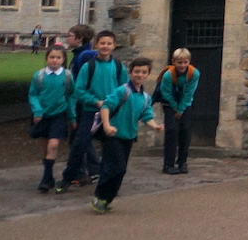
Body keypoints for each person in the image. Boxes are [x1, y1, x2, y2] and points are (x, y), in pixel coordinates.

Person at [91, 57, 162, 213]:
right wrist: (108, 125)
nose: (140, 75)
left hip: (128, 137)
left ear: (148, 74)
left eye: (144, 72)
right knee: (115, 167)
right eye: (137, 71)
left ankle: (106, 198)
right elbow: (106, 107)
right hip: (112, 135)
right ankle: (99, 196)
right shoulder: (123, 90)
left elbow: (146, 116)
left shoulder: (145, 98)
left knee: (120, 169)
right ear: (130, 73)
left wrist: (155, 126)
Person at [65, 29, 126, 190]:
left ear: (114, 46)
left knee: (110, 148)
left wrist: (114, 104)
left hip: (111, 114)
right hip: (90, 111)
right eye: (102, 43)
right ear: (96, 45)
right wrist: (95, 102)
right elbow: (79, 90)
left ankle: (105, 179)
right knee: (80, 144)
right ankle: (69, 176)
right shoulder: (88, 67)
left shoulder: (118, 67)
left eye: (109, 43)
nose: (105, 46)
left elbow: (125, 89)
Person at [29, 45, 76, 193]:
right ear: (46, 58)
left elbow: (70, 96)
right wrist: (37, 110)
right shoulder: (39, 75)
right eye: (52, 57)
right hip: (42, 115)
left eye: (58, 58)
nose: (55, 60)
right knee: (45, 147)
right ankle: (48, 177)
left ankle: (46, 179)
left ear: (63, 59)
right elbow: (33, 94)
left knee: (53, 145)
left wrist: (72, 116)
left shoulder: (67, 76)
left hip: (59, 115)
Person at [157, 47, 200, 175]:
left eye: (185, 62)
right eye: (179, 62)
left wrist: (181, 109)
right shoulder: (168, 75)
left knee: (185, 131)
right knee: (171, 131)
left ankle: (182, 162)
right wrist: (175, 107)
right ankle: (168, 164)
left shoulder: (194, 73)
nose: (182, 65)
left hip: (185, 103)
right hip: (170, 103)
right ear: (173, 62)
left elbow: (189, 93)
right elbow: (166, 93)